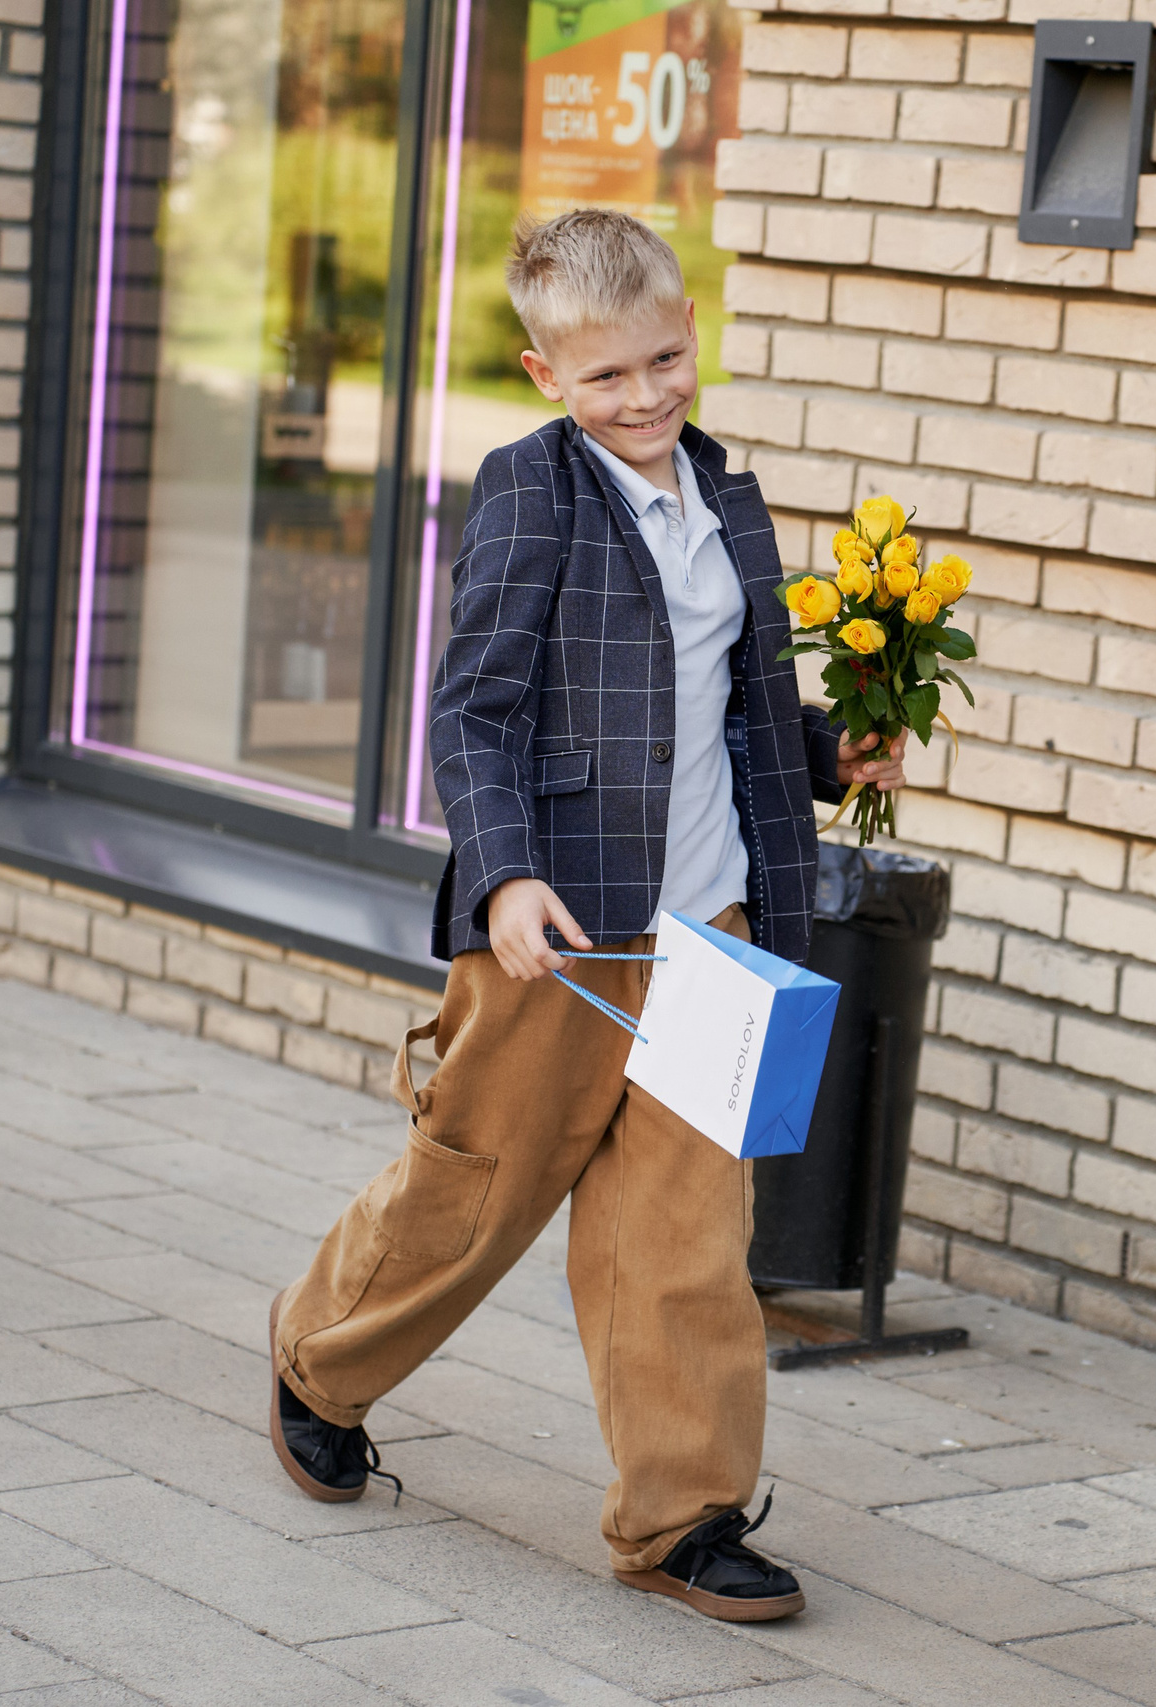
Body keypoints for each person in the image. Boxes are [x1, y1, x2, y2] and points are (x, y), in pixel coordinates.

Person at [264, 208, 903, 1623]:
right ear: (546, 374)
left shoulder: (727, 496)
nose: (645, 395)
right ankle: (320, 1357)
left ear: (692, 329)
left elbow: (726, 705)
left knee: (688, 1233)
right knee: (479, 1189)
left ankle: (684, 1517)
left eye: (665, 359)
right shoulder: (529, 491)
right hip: (559, 929)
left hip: (718, 923)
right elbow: (474, 710)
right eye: (606, 375)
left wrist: (826, 751)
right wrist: (502, 874)